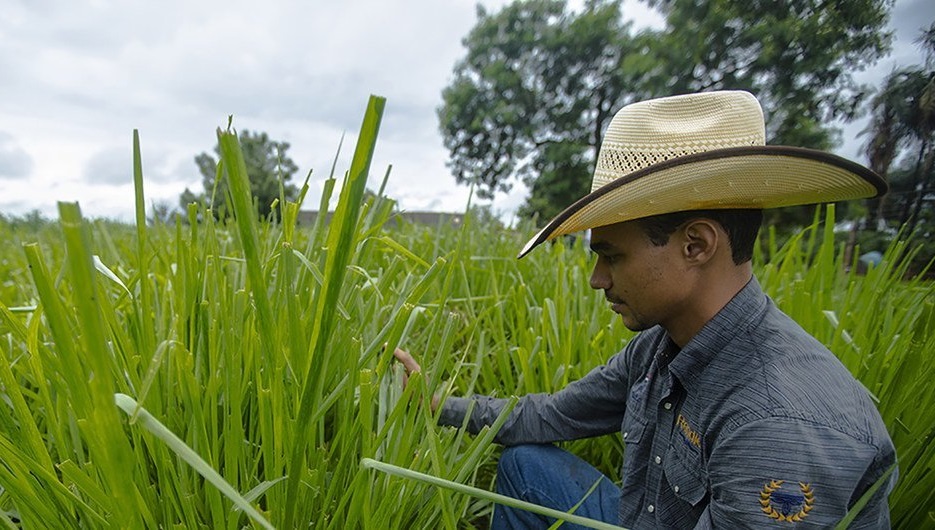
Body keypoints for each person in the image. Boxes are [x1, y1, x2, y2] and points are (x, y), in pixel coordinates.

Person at [394, 91, 896, 528]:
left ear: (696, 245)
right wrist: (437, 406)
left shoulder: (775, 425)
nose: (597, 280)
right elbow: (552, 414)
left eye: (612, 256)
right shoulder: (663, 346)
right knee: (525, 465)